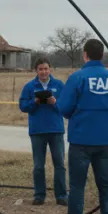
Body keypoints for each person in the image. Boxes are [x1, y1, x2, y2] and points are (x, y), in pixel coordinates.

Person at [57, 38, 108, 214]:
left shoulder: (77, 78)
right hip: (104, 142)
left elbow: (65, 108)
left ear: (85, 55)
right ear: (102, 55)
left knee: (77, 188)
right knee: (106, 188)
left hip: (80, 142)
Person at [18, 56, 68, 205]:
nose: (43, 72)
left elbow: (66, 107)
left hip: (56, 130)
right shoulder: (29, 87)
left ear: (50, 69)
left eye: (46, 68)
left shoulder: (59, 85)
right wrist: (34, 101)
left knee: (59, 164)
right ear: (36, 70)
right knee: (38, 166)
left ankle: (61, 196)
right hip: (37, 131)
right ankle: (39, 195)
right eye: (40, 69)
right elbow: (23, 106)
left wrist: (55, 103)